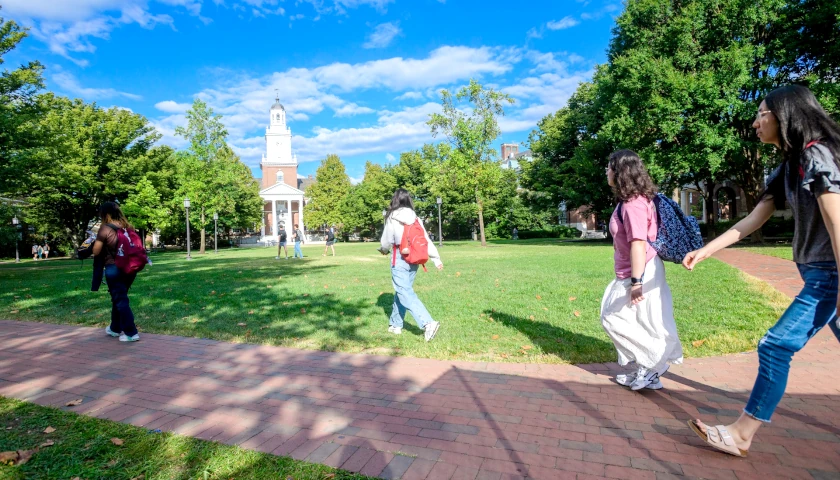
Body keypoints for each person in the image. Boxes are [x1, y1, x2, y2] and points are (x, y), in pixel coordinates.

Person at [682, 85, 840, 457]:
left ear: (785, 114)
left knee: (775, 346)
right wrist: (706, 250)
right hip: (818, 272)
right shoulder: (790, 164)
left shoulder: (817, 156)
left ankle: (741, 434)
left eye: (761, 113)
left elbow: (837, 226)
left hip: (828, 275)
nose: (755, 123)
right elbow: (752, 220)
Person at [601, 149, 683, 391]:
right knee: (643, 322)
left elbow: (638, 242)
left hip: (640, 271)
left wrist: (637, 282)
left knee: (611, 317)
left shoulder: (633, 204)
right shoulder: (633, 201)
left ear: (620, 171)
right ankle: (649, 371)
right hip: (637, 270)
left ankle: (653, 363)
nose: (606, 172)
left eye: (609, 167)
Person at [379, 188, 443, 341]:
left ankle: (428, 323)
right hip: (415, 258)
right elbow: (425, 239)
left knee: (404, 291)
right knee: (402, 290)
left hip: (399, 257)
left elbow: (387, 240)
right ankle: (395, 324)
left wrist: (383, 249)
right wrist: (436, 258)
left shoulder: (392, 217)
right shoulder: (415, 218)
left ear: (395, 200)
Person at [93, 202, 140, 342]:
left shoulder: (105, 229)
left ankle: (131, 333)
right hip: (130, 268)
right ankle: (115, 328)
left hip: (114, 267)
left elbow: (96, 251)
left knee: (120, 300)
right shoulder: (128, 227)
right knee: (118, 297)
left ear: (105, 214)